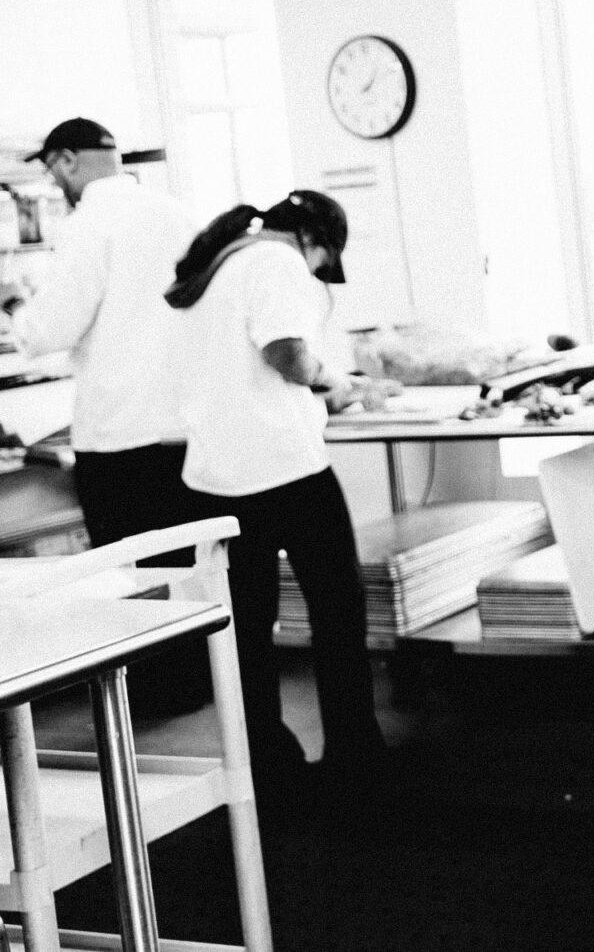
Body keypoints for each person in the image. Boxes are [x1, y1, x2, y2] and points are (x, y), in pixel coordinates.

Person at [165, 190, 388, 798]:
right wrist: (333, 379)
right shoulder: (278, 262)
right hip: (285, 470)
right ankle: (354, 753)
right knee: (338, 610)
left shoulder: (216, 264)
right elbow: (285, 353)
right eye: (324, 263)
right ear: (315, 242)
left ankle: (266, 764)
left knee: (246, 628)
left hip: (214, 476)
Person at [0, 118, 205, 712]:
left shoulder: (90, 223)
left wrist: (15, 302)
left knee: (128, 572)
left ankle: (150, 695)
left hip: (119, 435)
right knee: (179, 564)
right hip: (181, 431)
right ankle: (193, 683)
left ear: (65, 162)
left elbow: (52, 327)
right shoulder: (175, 213)